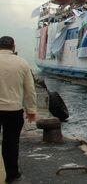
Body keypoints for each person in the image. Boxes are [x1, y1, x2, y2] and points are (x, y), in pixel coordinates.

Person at [0, 36, 36, 183]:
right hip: (13, 110)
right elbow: (30, 90)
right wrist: (31, 110)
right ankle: (12, 174)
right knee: (11, 143)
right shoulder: (22, 63)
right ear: (13, 47)